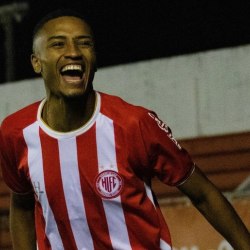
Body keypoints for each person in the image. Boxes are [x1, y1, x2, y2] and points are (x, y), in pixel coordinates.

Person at [0, 9, 249, 250]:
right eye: (58, 44)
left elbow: (203, 193)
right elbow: (21, 205)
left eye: (84, 43)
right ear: (36, 62)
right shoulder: (15, 133)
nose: (73, 52)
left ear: (94, 60)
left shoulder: (134, 124)